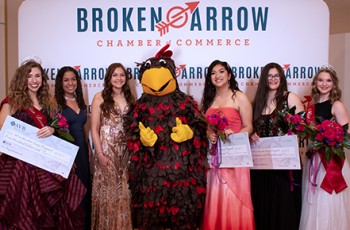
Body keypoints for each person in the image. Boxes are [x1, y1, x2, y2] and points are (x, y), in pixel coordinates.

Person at [0, 60, 86, 229]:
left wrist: (53, 130)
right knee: (24, 211)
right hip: (20, 168)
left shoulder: (49, 103)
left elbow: (60, 129)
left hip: (45, 165)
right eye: (29, 76)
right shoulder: (12, 103)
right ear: (21, 79)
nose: (34, 80)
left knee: (50, 210)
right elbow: (3, 132)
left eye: (37, 76)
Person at [200, 60, 255, 229]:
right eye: (213, 73)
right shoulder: (208, 100)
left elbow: (249, 127)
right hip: (214, 159)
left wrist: (235, 135)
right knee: (215, 198)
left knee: (233, 198)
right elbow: (204, 127)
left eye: (221, 71)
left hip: (235, 159)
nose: (217, 76)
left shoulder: (239, 97)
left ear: (229, 75)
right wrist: (208, 133)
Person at [250, 62, 304, 230]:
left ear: (281, 78)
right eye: (269, 76)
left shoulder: (290, 98)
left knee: (283, 208)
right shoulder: (256, 102)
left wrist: (291, 135)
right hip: (261, 166)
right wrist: (251, 135)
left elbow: (302, 130)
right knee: (262, 205)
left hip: (284, 166)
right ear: (264, 79)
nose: (273, 79)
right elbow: (251, 128)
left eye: (276, 76)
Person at [299, 65, 350, 230]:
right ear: (315, 83)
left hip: (331, 160)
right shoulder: (311, 106)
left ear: (334, 84)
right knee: (314, 200)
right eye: (320, 80)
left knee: (328, 199)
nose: (324, 83)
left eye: (328, 80)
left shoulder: (337, 105)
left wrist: (330, 141)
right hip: (314, 158)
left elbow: (347, 133)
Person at [90, 63, 135, 229]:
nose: (119, 78)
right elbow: (94, 129)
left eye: (122, 75)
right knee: (107, 195)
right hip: (106, 153)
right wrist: (100, 154)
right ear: (109, 78)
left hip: (125, 154)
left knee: (123, 194)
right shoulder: (99, 97)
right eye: (115, 75)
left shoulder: (130, 98)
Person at [55, 66, 92, 230]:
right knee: (72, 193)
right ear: (60, 83)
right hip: (68, 155)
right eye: (66, 80)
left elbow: (81, 128)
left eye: (73, 79)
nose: (71, 83)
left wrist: (89, 150)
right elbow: (55, 134)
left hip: (83, 153)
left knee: (84, 189)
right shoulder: (56, 104)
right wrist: (65, 158)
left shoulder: (80, 100)